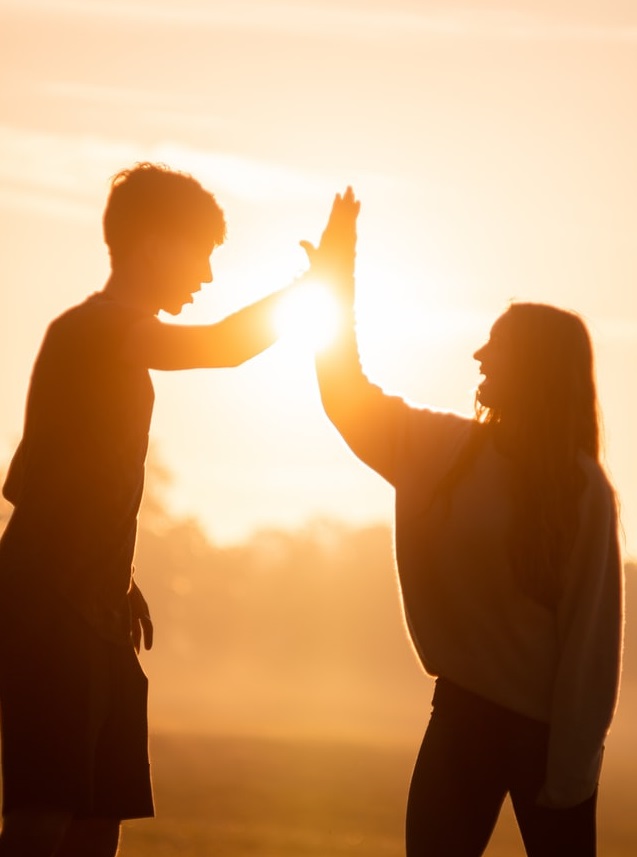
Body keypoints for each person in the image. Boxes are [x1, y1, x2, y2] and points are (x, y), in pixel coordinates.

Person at [0, 162, 309, 857]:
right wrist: (314, 290)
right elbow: (221, 347)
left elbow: (62, 483)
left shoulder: (110, 341)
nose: (203, 275)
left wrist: (120, 574)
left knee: (96, 820)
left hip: (98, 613)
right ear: (151, 245)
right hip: (52, 611)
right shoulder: (92, 329)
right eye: (199, 254)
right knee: (43, 817)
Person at [306, 188, 623, 856]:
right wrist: (336, 275)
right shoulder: (439, 450)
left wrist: (568, 773)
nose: (478, 356)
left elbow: (590, 649)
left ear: (533, 368)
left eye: (496, 346)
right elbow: (345, 392)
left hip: (549, 738)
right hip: (458, 719)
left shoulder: (581, 490)